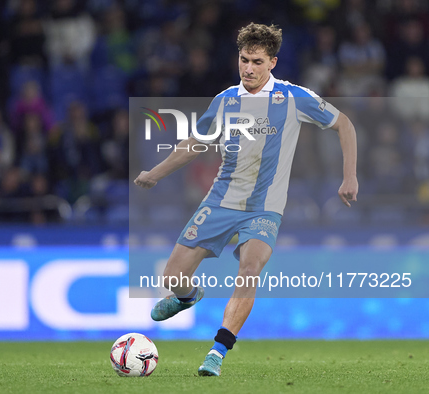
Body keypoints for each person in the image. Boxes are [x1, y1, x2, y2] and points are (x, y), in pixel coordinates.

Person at [134, 23, 359, 377]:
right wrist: (155, 174)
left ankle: (218, 351)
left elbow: (343, 123)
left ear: (272, 62)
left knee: (249, 269)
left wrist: (349, 176)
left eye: (256, 61)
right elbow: (193, 144)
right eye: (243, 60)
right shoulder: (225, 101)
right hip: (221, 201)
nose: (248, 68)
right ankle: (187, 296)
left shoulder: (294, 97)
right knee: (173, 275)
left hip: (264, 208)